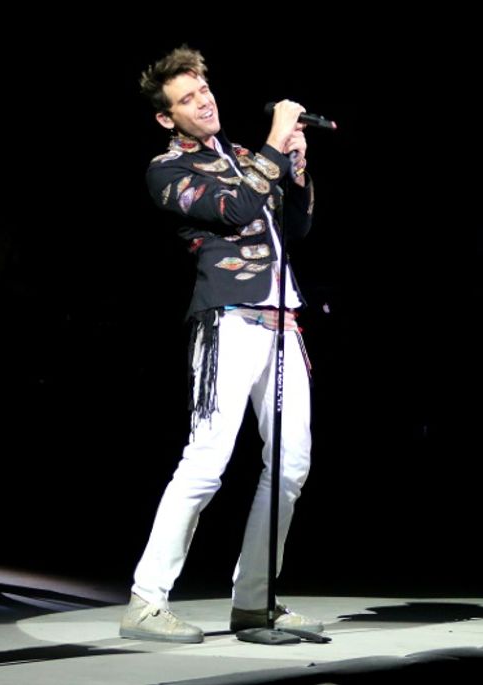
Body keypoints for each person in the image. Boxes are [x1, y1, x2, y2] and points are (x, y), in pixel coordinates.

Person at [120, 46, 322, 643]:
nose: (202, 102)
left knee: (291, 465)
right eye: (186, 99)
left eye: (203, 89)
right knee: (207, 460)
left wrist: (296, 165)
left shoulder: (246, 157)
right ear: (167, 117)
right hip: (228, 319)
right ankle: (146, 601)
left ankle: (255, 602)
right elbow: (236, 209)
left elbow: (295, 227)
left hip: (282, 321)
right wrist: (275, 140)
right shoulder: (166, 170)